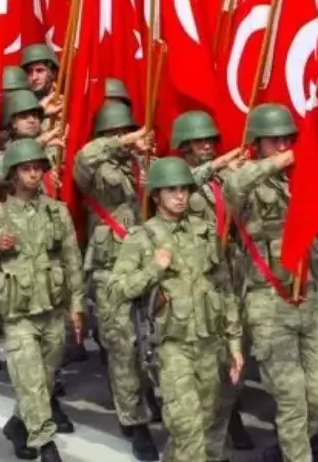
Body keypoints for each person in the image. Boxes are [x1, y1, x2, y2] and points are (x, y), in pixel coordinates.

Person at [226, 103, 318, 462]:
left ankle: (288, 447)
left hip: (313, 298)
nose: (283, 145)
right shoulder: (246, 179)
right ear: (257, 144)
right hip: (269, 301)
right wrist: (283, 161)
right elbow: (232, 188)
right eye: (274, 140)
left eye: (288, 139)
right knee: (290, 398)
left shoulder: (306, 176)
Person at [108, 156, 243, 462]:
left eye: (184, 189)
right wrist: (154, 269)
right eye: (171, 190)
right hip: (171, 348)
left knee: (204, 423)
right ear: (156, 195)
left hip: (208, 343)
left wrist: (234, 342)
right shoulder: (142, 238)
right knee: (188, 430)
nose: (180, 196)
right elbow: (115, 290)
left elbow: (224, 289)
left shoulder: (205, 232)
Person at [0, 138, 86, 462]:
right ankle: (46, 444)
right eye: (26, 169)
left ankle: (18, 425)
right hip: (18, 312)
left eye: (38, 168)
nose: (34, 174)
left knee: (45, 379)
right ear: (12, 174)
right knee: (31, 380)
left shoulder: (57, 212)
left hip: (52, 307)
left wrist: (77, 305)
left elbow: (72, 260)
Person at [74, 100, 160, 461]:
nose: (122, 137)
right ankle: (134, 420)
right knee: (122, 346)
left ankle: (146, 395)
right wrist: (124, 142)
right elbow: (84, 157)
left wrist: (147, 162)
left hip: (149, 263)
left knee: (152, 341)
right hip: (111, 268)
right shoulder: (93, 168)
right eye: (114, 133)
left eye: (124, 131)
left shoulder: (144, 162)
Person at [169, 109, 253, 456]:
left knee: (232, 357)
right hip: (196, 282)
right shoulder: (176, 178)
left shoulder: (221, 179)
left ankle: (224, 424)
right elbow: (185, 186)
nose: (206, 145)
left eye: (209, 140)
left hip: (229, 275)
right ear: (184, 145)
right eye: (198, 141)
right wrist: (219, 165)